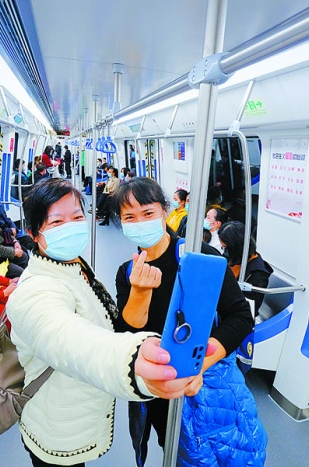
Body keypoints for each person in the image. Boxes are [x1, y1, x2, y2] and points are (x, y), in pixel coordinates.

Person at [7, 178, 201, 466]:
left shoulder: (73, 266)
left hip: (77, 410)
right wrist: (135, 363)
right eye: (57, 221)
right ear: (35, 234)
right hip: (58, 428)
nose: (71, 227)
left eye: (77, 217)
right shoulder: (34, 292)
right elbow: (68, 339)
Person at [110, 177, 260, 467]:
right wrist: (139, 291)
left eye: (148, 213)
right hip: (155, 389)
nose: (139, 222)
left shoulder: (200, 258)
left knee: (214, 451)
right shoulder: (127, 272)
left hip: (201, 382)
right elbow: (127, 334)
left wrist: (195, 366)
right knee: (173, 447)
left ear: (165, 211)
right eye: (130, 217)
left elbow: (241, 316)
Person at [218, 221, 273, 314]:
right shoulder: (231, 258)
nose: (224, 251)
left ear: (235, 248)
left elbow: (250, 306)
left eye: (225, 247)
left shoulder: (257, 273)